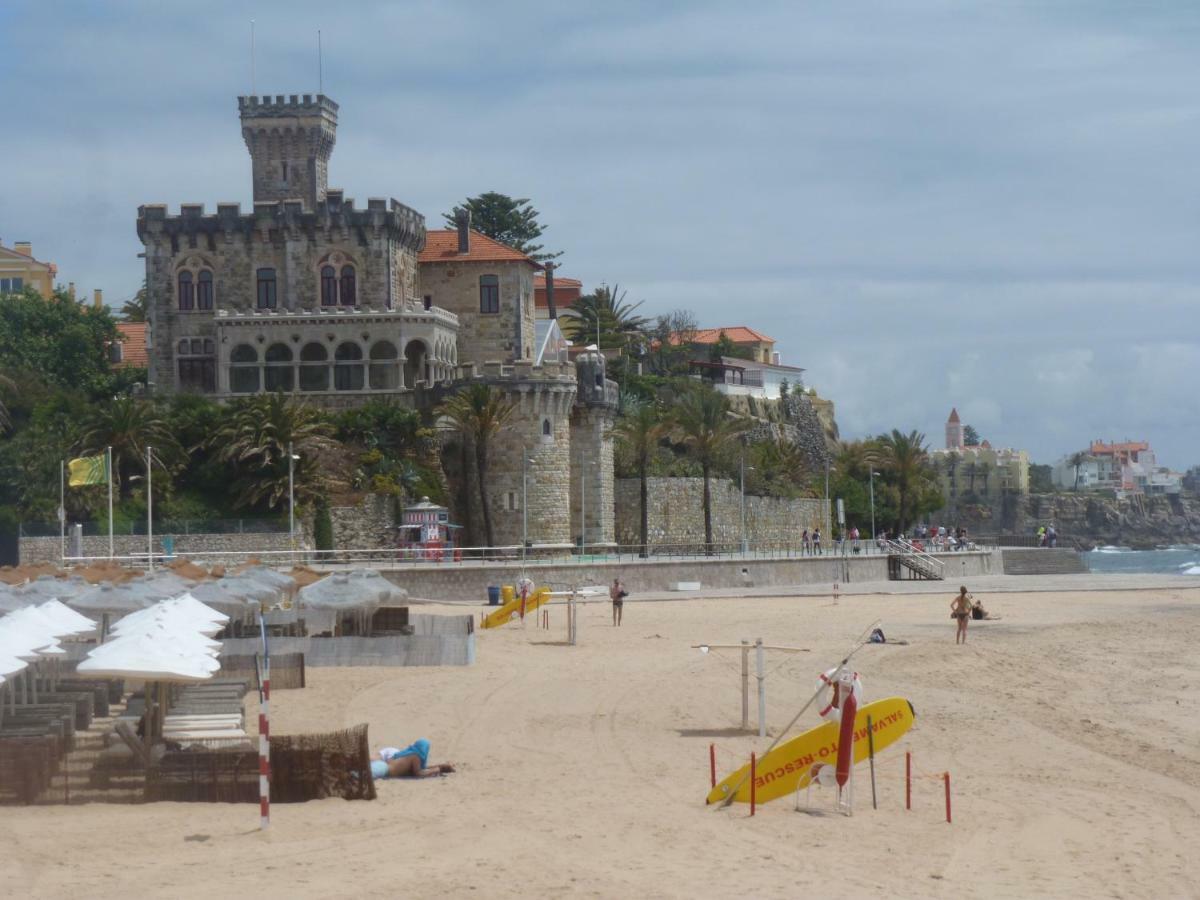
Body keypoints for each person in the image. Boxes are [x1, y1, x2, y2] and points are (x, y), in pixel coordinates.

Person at [370, 739, 455, 779]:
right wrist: (437, 770)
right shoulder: (415, 756)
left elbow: (422, 768)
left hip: (383, 767)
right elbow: (418, 773)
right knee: (361, 776)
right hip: (384, 770)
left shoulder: (409, 753)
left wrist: (442, 766)